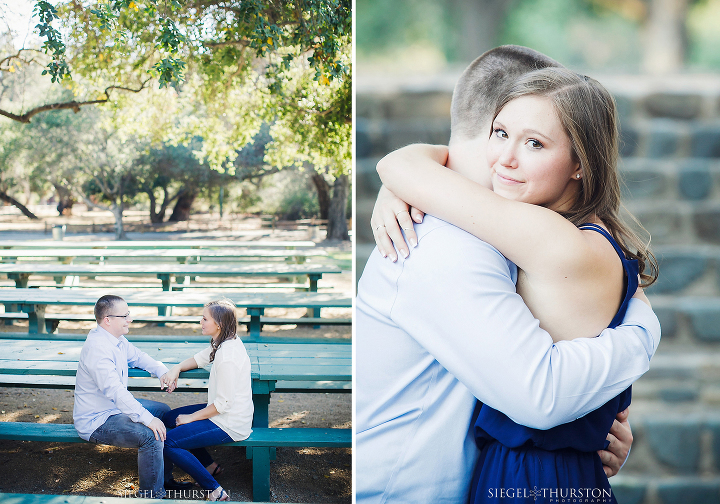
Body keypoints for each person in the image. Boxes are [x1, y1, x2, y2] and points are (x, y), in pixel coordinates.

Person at [355, 46, 661, 503]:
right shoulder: (444, 240)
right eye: (501, 134)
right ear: (493, 120)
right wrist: (641, 334)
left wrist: (403, 171)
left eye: (536, 141)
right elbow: (544, 397)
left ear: (580, 159)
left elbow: (541, 396)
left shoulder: (527, 232)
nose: (507, 158)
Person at [73, 294, 189, 499]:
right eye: (125, 315)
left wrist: (163, 372)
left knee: (163, 412)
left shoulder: (116, 340)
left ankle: (165, 480)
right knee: (150, 437)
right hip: (97, 420)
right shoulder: (97, 349)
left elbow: (139, 357)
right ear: (107, 320)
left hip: (114, 409)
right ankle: (152, 496)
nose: (130, 319)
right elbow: (116, 392)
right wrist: (147, 419)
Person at [161, 298, 254, 502]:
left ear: (218, 324)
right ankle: (210, 467)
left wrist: (191, 418)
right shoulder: (223, 340)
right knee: (169, 418)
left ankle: (214, 490)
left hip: (230, 422)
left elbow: (223, 404)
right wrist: (177, 367)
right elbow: (201, 358)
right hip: (223, 412)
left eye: (204, 319)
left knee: (167, 443)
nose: (200, 322)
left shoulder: (228, 356)